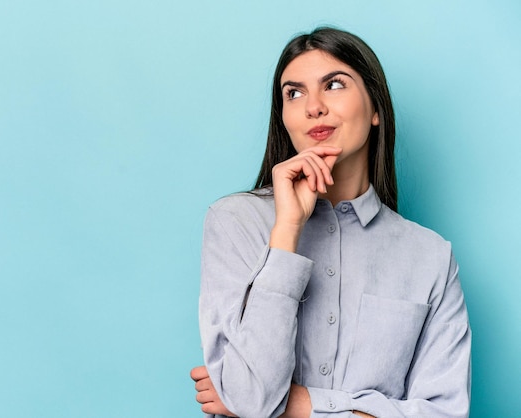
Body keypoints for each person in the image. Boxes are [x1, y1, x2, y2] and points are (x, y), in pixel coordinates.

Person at [190, 27, 471, 418]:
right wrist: (286, 232)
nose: (313, 107)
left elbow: (445, 414)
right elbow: (250, 398)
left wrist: (303, 405)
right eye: (294, 93)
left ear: (376, 109)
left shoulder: (431, 257)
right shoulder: (235, 222)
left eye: (334, 85)